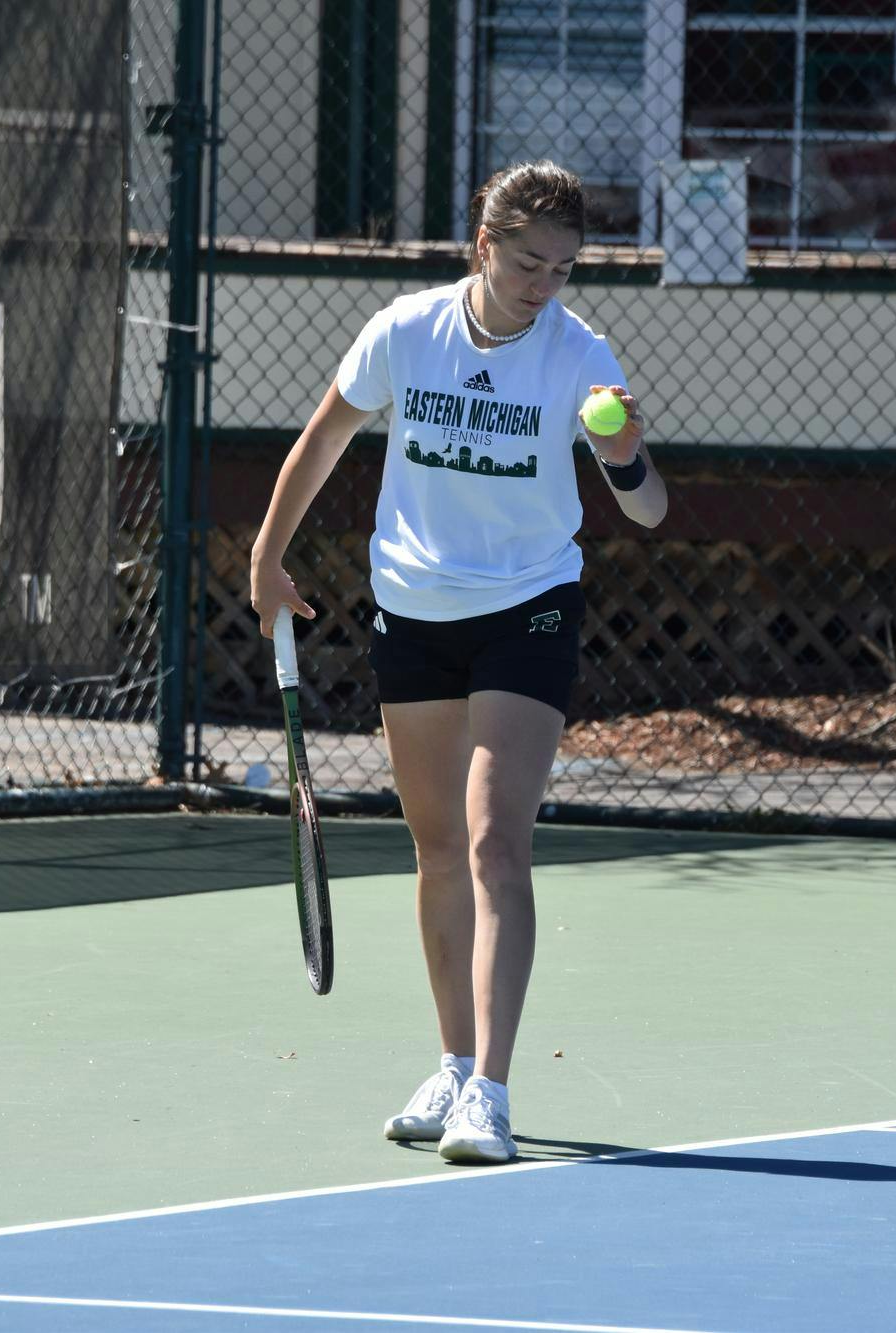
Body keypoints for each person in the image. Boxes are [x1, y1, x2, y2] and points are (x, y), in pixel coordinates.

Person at [250, 161, 666, 1165]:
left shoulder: (578, 355)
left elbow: (650, 510)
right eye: (528, 263)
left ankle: (491, 1092)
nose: (544, 284)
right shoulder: (405, 332)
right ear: (483, 246)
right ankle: (451, 1063)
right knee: (436, 848)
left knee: (493, 843)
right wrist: (266, 558)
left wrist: (621, 455)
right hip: (413, 609)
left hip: (528, 607)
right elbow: (323, 439)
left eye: (563, 268)